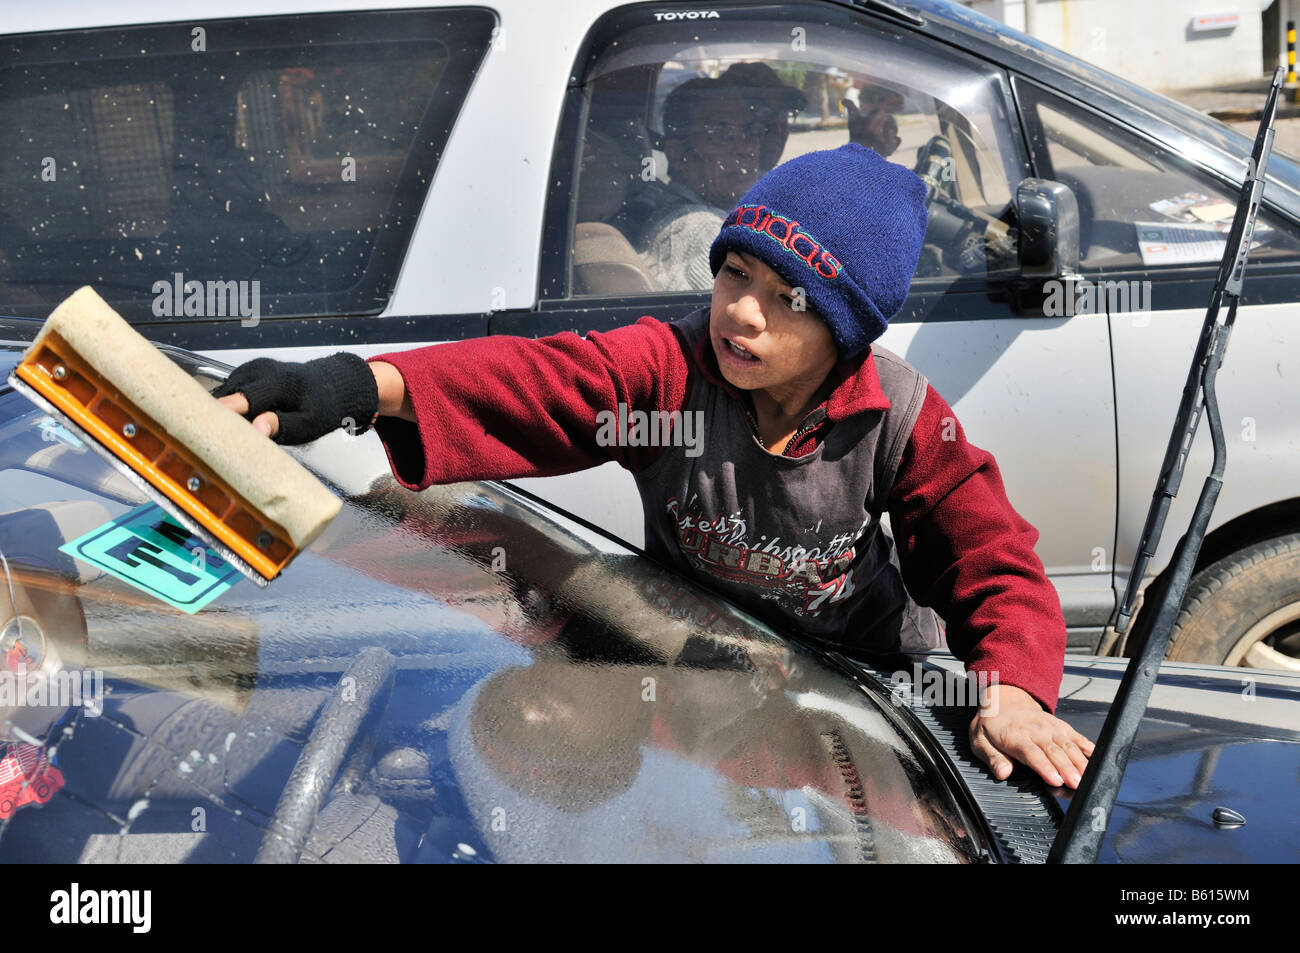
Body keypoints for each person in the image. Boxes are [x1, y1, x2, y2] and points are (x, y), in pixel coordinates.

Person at [214, 143, 1094, 790]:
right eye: (732, 274)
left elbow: (992, 560)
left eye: (786, 298)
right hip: (703, 664)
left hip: (867, 684)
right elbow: (543, 379)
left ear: (847, 332)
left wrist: (1014, 690)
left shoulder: (899, 415)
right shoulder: (668, 374)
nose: (741, 313)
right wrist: (360, 384)